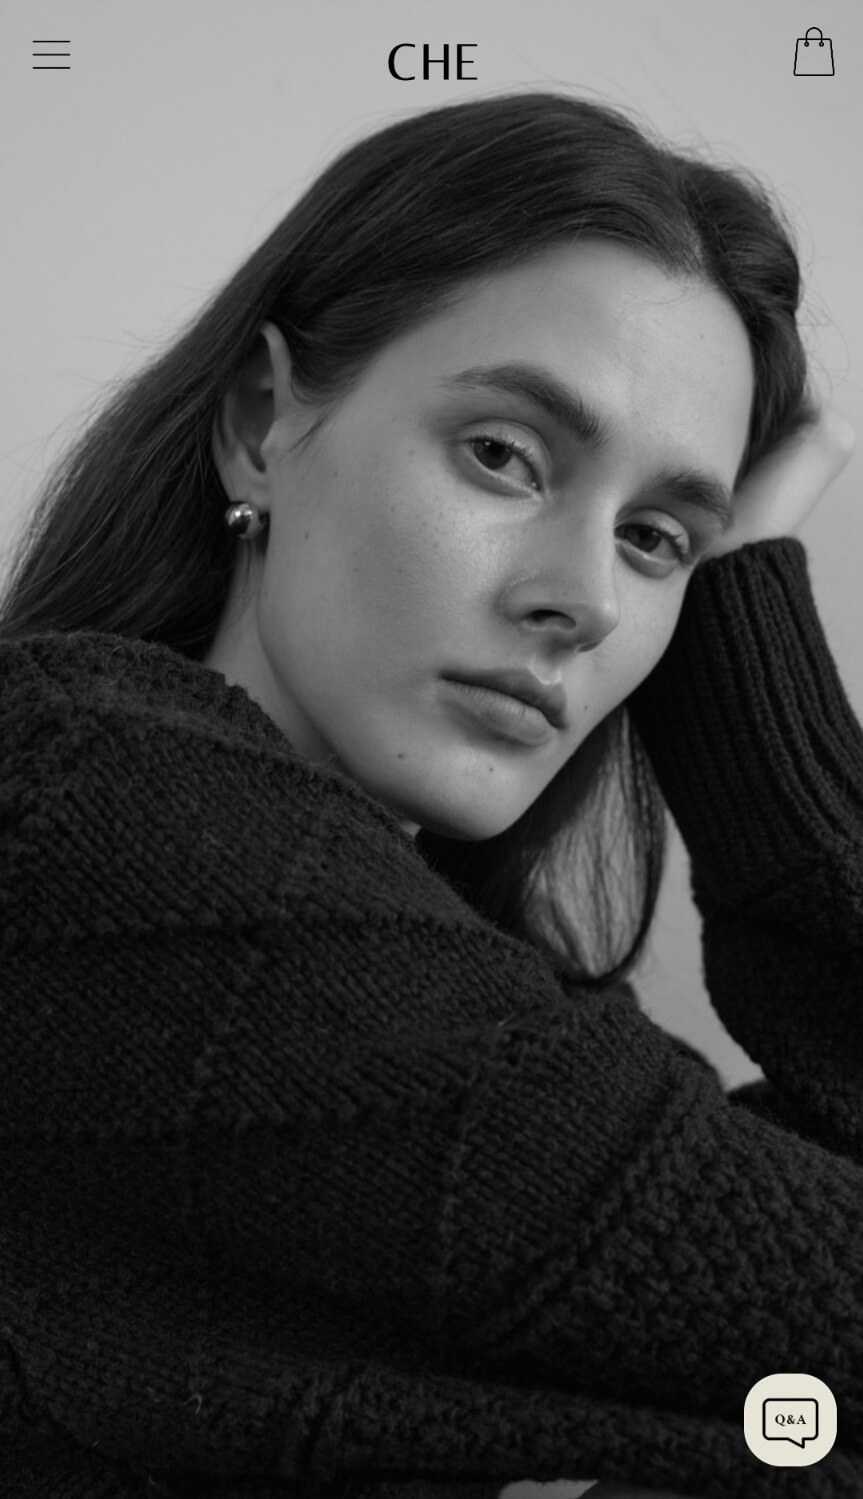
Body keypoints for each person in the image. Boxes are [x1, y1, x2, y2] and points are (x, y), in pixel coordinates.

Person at [0, 88, 859, 1499]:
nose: (586, 599)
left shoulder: (486, 992)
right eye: (504, 455)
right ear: (262, 423)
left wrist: (739, 613)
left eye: (656, 540)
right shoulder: (81, 796)